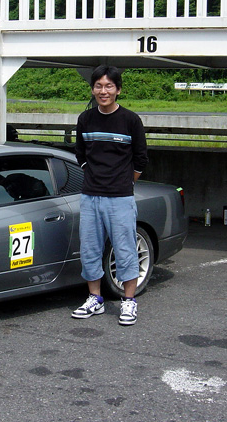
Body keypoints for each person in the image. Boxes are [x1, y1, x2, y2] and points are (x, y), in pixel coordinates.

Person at [72, 65, 148, 326]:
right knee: (89, 249)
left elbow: (141, 158)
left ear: (118, 90)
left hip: (120, 198)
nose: (103, 91)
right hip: (90, 196)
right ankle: (95, 298)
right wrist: (94, 176)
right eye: (98, 86)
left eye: (109, 86)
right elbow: (80, 154)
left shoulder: (130, 120)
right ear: (93, 89)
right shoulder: (85, 119)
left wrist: (125, 182)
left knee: (125, 249)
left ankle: (129, 301)